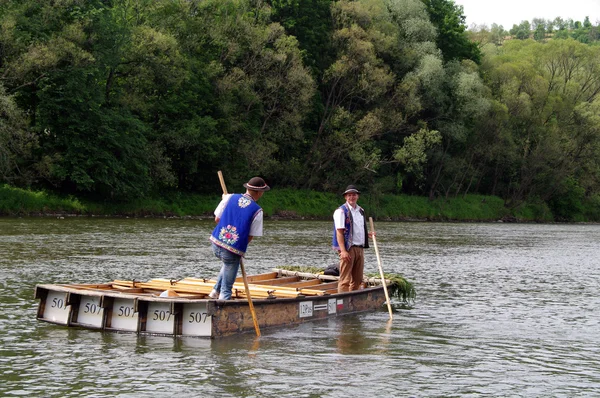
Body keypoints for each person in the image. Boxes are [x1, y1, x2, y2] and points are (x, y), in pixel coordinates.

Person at [209, 177, 270, 300]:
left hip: (215, 243)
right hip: (232, 250)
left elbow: (217, 219)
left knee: (227, 264)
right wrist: (238, 249)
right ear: (259, 192)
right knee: (227, 288)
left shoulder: (229, 197)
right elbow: (251, 235)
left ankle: (215, 291)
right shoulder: (257, 211)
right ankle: (222, 304)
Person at [332, 185, 372, 293]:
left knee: (358, 279)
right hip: (348, 248)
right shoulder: (341, 211)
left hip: (360, 248)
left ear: (357, 196)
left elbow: (357, 228)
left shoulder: (360, 211)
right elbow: (339, 232)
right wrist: (343, 251)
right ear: (345, 197)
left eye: (354, 195)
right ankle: (342, 302)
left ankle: (352, 301)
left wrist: (367, 234)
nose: (351, 197)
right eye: (349, 195)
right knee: (345, 279)